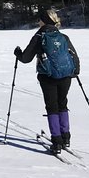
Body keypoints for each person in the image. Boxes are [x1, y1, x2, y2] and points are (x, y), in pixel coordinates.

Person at [13, 8, 80, 154]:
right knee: (62, 104)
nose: (38, 21)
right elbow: (74, 56)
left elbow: (26, 58)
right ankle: (66, 137)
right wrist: (75, 71)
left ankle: (56, 142)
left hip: (48, 77)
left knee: (52, 107)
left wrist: (18, 53)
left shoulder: (39, 36)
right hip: (66, 76)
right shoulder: (63, 36)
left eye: (40, 19)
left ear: (44, 21)